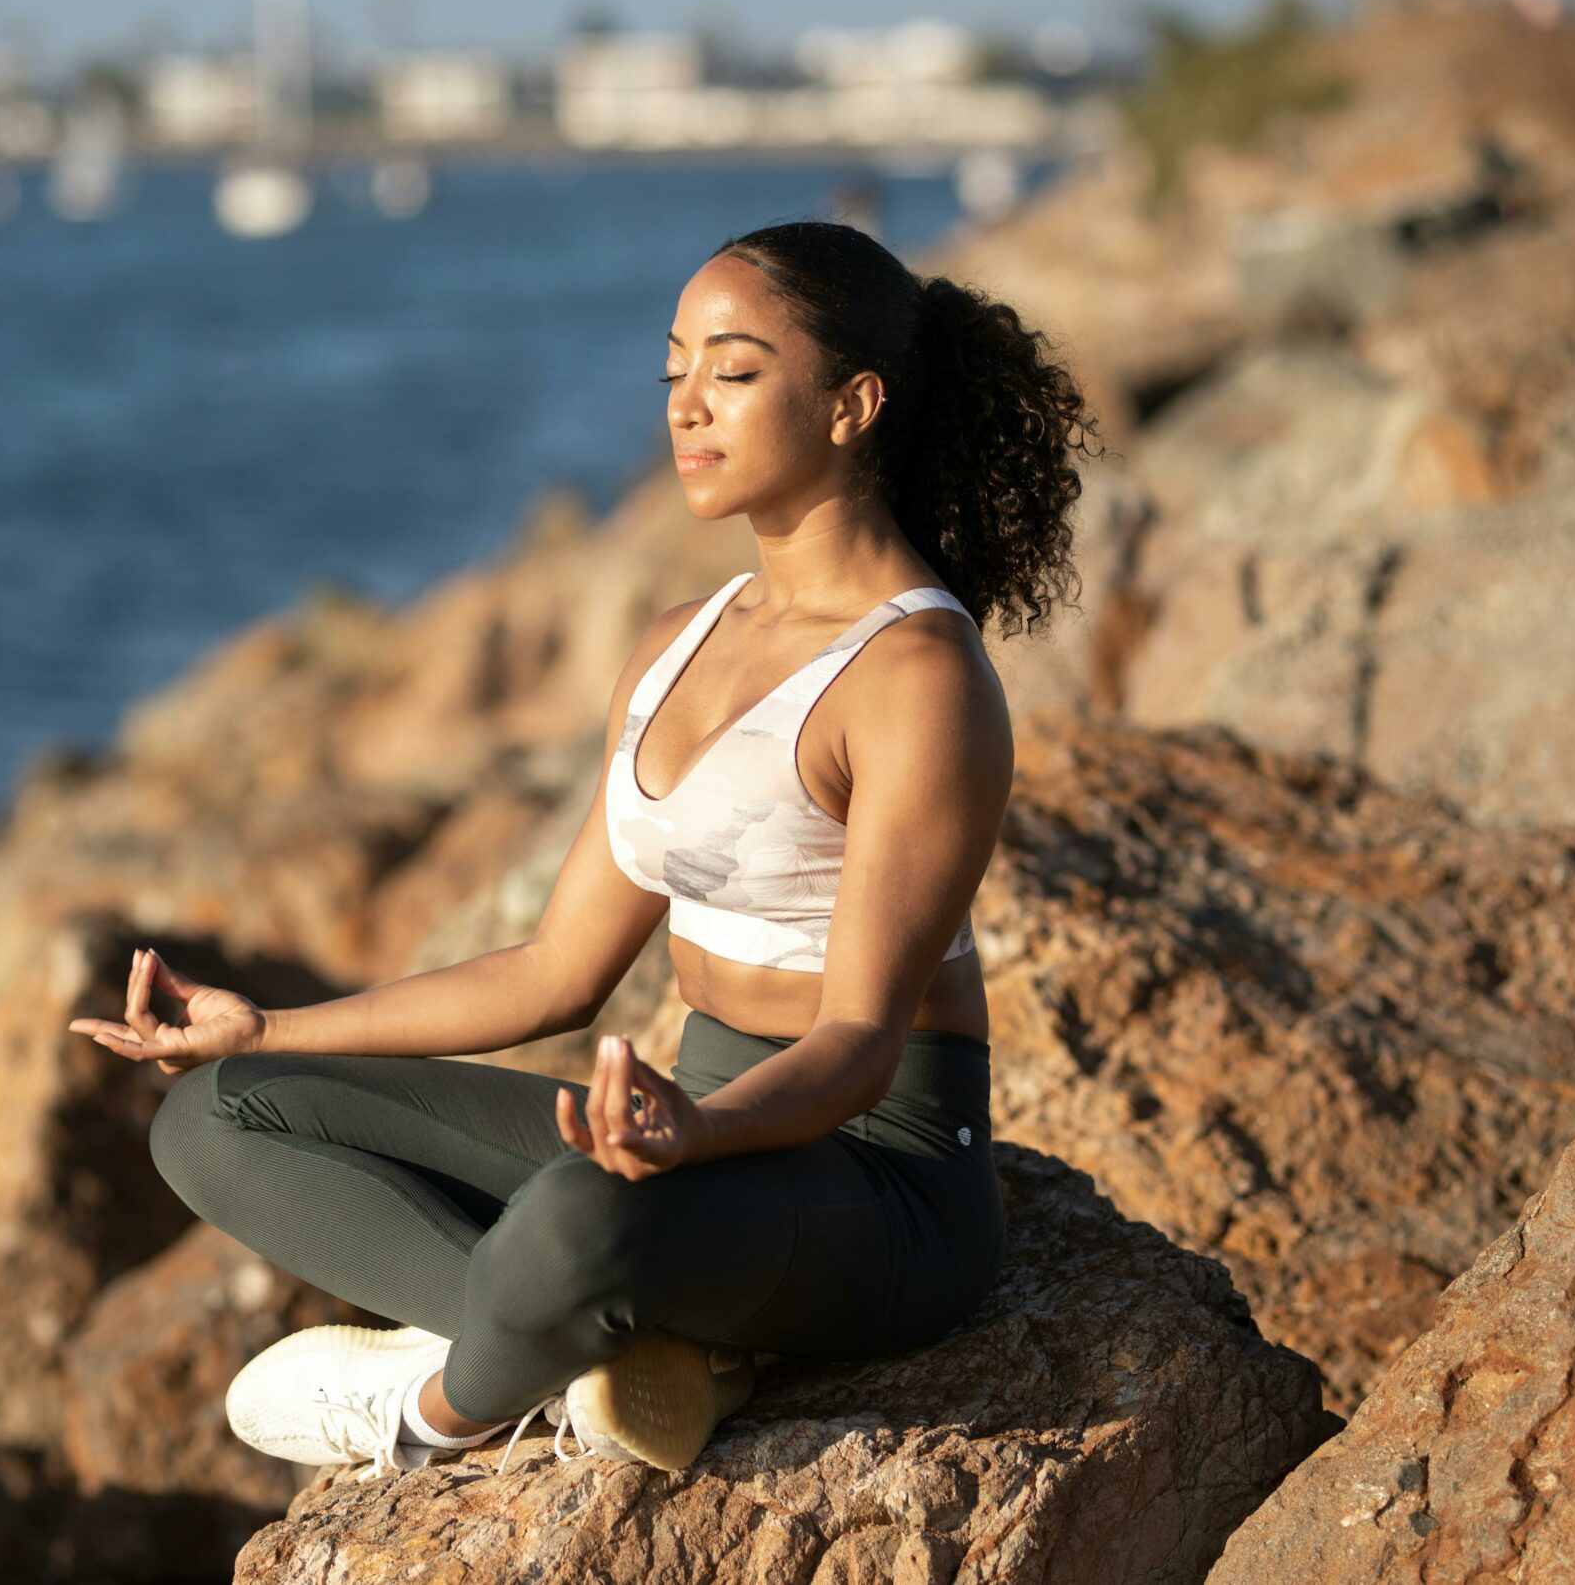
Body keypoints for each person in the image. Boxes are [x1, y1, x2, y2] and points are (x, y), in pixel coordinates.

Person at [70, 217, 1101, 1482]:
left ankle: (442, 1410)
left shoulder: (916, 677)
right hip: (692, 1137)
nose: (686, 408)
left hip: (875, 1181)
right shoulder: (680, 640)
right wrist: (265, 1031)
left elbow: (854, 1044)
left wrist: (695, 1137)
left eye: (731, 371)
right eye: (671, 373)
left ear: (852, 404)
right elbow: (554, 973)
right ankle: (620, 1350)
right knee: (215, 1116)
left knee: (575, 1216)